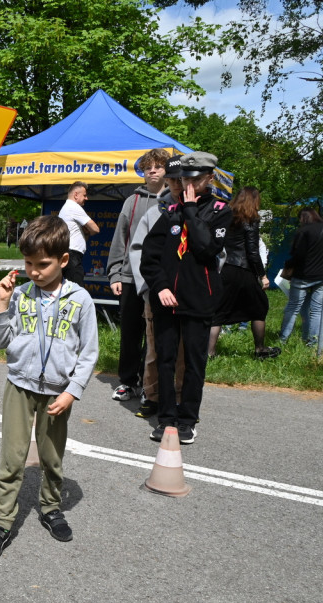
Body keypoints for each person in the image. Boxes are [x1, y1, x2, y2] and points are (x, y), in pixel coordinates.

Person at [0, 215, 98, 561]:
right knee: (12, 458)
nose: (33, 271)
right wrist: (1, 304)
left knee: (51, 456)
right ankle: (1, 523)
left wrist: (72, 390)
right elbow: (1, 342)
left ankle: (50, 508)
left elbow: (89, 353)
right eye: (28, 263)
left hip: (58, 391)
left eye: (42, 265)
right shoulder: (20, 296)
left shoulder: (80, 300)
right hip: (19, 386)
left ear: (63, 260)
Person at [140, 151, 229, 445]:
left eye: (195, 179)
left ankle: (188, 419)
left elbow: (206, 248)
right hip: (166, 302)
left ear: (209, 179)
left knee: (193, 363)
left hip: (198, 301)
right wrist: (161, 287)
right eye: (184, 180)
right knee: (164, 360)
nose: (188, 185)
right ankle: (166, 418)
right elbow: (149, 259)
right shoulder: (168, 213)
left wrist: (190, 210)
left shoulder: (220, 211)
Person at [108, 148, 169, 402]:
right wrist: (115, 275)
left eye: (157, 166)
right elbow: (120, 240)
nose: (152, 170)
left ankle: (149, 385)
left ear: (167, 170)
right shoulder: (132, 201)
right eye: (147, 167)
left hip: (160, 281)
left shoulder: (173, 201)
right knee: (130, 333)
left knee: (154, 336)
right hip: (131, 278)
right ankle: (127, 382)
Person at [129, 155, 185, 419]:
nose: (175, 184)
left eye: (179, 179)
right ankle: (152, 396)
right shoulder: (155, 213)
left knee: (184, 350)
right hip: (156, 292)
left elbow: (217, 254)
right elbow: (138, 250)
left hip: (189, 295)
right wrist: (147, 288)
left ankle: (179, 397)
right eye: (171, 179)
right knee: (154, 349)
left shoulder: (203, 211)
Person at [208, 186, 281, 359]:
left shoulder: (226, 216)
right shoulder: (251, 219)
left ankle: (209, 352)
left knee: (218, 311)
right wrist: (262, 275)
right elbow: (252, 252)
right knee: (259, 307)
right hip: (244, 269)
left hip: (226, 268)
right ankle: (260, 349)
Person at [279, 208, 323, 345]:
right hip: (322, 275)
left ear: (303, 218)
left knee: (293, 307)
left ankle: (283, 339)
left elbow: (298, 254)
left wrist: (289, 265)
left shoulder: (304, 231)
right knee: (317, 310)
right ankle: (313, 342)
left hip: (303, 274)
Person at [57, 181, 99, 285]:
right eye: (84, 195)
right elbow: (95, 229)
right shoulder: (74, 207)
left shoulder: (66, 208)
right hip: (72, 257)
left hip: (69, 254)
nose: (86, 198)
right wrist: (88, 231)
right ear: (76, 194)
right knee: (74, 290)